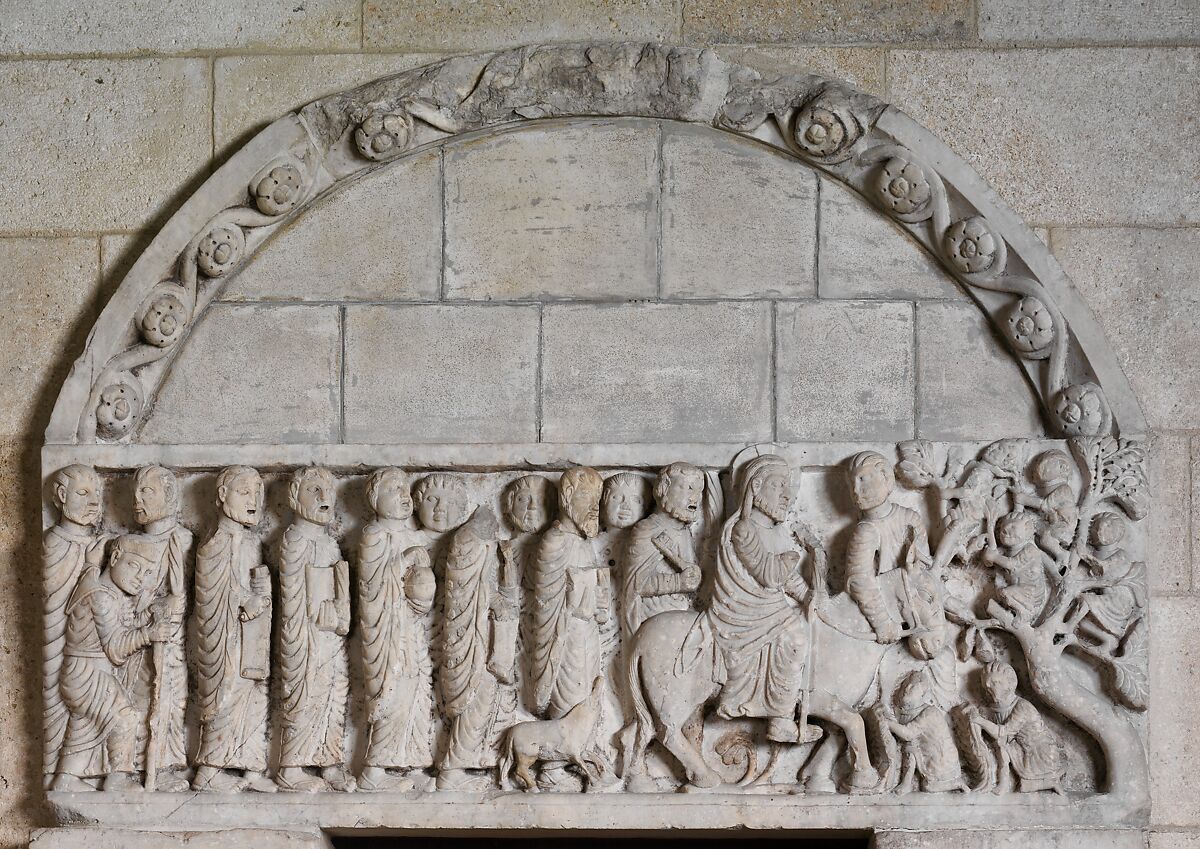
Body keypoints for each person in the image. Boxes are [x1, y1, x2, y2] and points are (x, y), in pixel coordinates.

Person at [52, 536, 174, 791]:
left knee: (84, 726)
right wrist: (149, 634)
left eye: (148, 572)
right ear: (116, 558)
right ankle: (118, 779)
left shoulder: (104, 589)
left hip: (83, 673)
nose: (141, 577)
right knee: (125, 717)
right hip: (88, 674)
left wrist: (149, 616)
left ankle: (66, 780)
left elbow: (124, 625)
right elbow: (117, 649)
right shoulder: (102, 598)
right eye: (134, 566)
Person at [711, 454, 818, 745]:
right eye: (779, 486)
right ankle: (781, 719)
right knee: (795, 635)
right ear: (755, 486)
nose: (787, 495)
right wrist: (797, 554)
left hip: (768, 606)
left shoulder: (776, 531)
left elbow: (788, 578)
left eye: (790, 489)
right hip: (745, 612)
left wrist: (808, 595)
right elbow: (769, 575)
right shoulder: (742, 529)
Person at [192, 466, 276, 792]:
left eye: (257, 493)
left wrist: (261, 595)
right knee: (226, 694)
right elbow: (212, 589)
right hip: (224, 636)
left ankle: (252, 768)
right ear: (222, 495)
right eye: (244, 492)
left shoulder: (249, 540)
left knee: (255, 693)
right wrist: (245, 601)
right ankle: (208, 771)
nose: (253, 499)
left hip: (250, 635)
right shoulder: (216, 541)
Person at [276, 467, 355, 792]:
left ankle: (329, 761)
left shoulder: (330, 544)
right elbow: (294, 596)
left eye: (328, 492)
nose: (325, 498)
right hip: (304, 637)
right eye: (314, 491)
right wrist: (320, 611)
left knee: (334, 691)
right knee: (304, 693)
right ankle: (290, 766)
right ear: (294, 498)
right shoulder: (293, 541)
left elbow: (338, 587)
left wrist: (340, 610)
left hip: (331, 636)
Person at [358, 468, 436, 791]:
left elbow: (420, 588)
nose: (404, 496)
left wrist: (423, 597)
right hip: (387, 635)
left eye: (406, 490)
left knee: (417, 690)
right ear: (376, 501)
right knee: (394, 691)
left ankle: (412, 763)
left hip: (412, 630)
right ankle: (375, 770)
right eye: (394, 491)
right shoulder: (372, 536)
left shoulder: (411, 538)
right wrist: (403, 562)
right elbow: (371, 588)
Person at [120, 465, 191, 791]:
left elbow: (195, 593)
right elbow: (117, 596)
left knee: (171, 700)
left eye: (147, 491)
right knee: (135, 700)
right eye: (135, 491)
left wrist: (176, 602)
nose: (138, 499)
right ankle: (129, 768)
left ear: (170, 495)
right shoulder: (126, 545)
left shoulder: (183, 540)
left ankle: (165, 766)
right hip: (136, 638)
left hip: (173, 642)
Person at [438, 507, 517, 789]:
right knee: (474, 699)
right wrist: (493, 601)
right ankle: (452, 769)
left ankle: (480, 762)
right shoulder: (466, 546)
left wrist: (507, 565)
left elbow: (502, 593)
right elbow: (466, 591)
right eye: (492, 530)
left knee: (492, 696)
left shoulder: (487, 552)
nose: (496, 534)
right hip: (471, 641)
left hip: (490, 642)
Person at [43, 464, 106, 789]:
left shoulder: (98, 544)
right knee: (57, 701)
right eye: (83, 493)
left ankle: (85, 772)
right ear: (62, 497)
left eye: (97, 494)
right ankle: (58, 772)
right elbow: (59, 604)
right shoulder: (53, 543)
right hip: (59, 645)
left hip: (94, 649)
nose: (94, 501)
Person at [528, 467, 606, 719]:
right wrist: (582, 588)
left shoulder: (585, 544)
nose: (595, 506)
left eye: (597, 499)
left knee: (588, 699)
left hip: (587, 631)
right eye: (588, 497)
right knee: (570, 701)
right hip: (564, 636)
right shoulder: (554, 541)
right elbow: (546, 600)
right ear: (568, 495)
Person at [844, 451, 929, 643]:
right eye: (852, 483)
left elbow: (924, 571)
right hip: (881, 616)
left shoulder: (911, 518)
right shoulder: (865, 531)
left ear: (885, 476)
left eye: (863, 479)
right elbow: (859, 581)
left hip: (915, 608)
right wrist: (882, 623)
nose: (856, 490)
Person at [620, 462, 705, 641]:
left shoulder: (684, 533)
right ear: (664, 488)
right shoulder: (647, 530)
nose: (695, 498)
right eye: (688, 488)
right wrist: (678, 582)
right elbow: (636, 584)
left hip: (681, 619)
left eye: (699, 490)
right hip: (653, 622)